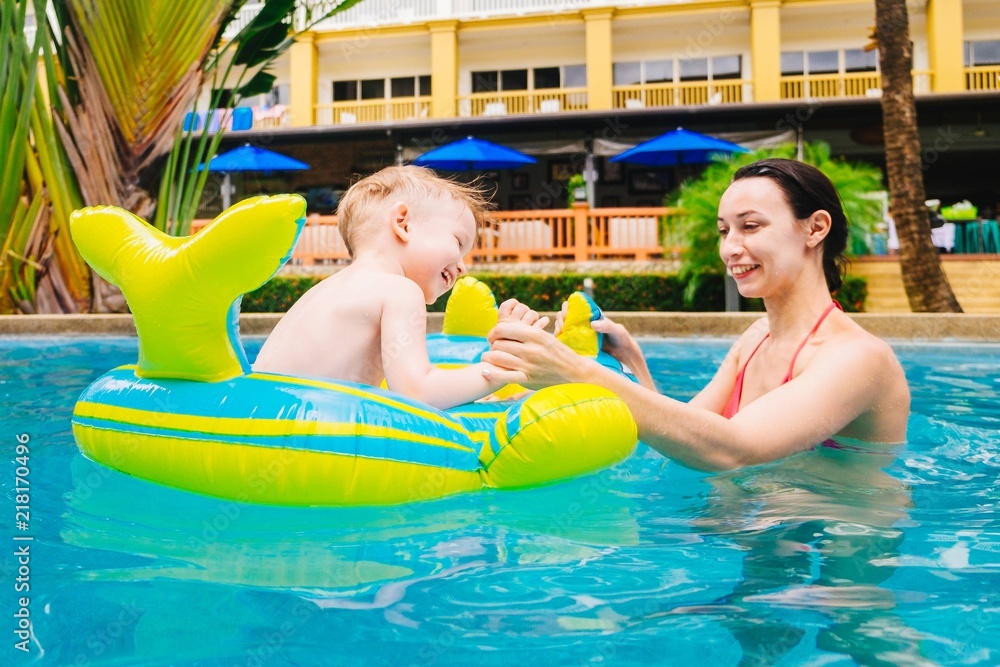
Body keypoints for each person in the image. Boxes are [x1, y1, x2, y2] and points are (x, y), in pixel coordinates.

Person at [484, 158, 910, 470]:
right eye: (725, 230)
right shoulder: (756, 338)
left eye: (751, 226)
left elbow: (733, 449)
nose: (730, 248)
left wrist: (576, 371)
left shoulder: (857, 358)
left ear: (815, 228)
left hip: (835, 559)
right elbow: (685, 437)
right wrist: (633, 363)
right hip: (761, 533)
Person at [253, 166, 547, 410]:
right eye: (458, 243)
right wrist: (501, 370)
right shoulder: (399, 291)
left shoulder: (324, 290)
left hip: (252, 422)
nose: (462, 266)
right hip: (299, 439)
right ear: (403, 223)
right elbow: (416, 394)